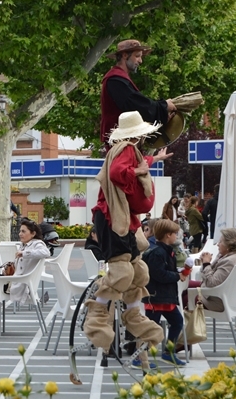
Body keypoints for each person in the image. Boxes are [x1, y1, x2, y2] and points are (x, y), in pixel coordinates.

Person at [84, 111, 171, 366]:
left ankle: (134, 316)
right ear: (139, 134)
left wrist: (152, 160)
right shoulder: (125, 148)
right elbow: (117, 173)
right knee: (122, 273)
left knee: (139, 273)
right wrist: (141, 168)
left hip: (123, 219)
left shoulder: (129, 149)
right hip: (112, 218)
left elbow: (136, 164)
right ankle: (98, 316)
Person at [99, 39, 176, 144]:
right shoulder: (115, 80)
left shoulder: (120, 79)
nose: (140, 61)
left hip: (126, 140)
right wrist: (163, 106)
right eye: (137, 56)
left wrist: (161, 111)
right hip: (120, 142)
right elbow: (137, 106)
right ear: (125, 55)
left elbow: (138, 106)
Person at [142, 219, 187, 366]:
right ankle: (140, 356)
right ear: (168, 235)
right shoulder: (157, 252)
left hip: (164, 297)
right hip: (155, 297)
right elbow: (159, 274)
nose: (177, 236)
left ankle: (169, 351)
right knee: (151, 328)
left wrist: (178, 272)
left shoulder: (165, 251)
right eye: (175, 233)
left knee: (177, 321)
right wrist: (177, 275)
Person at [184, 228, 236, 312]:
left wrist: (206, 263)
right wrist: (205, 263)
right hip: (225, 295)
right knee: (184, 284)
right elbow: (207, 278)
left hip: (217, 301)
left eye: (221, 242)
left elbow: (211, 282)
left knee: (181, 295)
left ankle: (176, 322)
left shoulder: (229, 261)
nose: (218, 244)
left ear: (229, 245)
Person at [9, 219, 50, 304]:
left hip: (22, 283)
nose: (20, 234)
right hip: (18, 280)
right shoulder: (23, 244)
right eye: (20, 231)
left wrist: (24, 253)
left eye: (23, 231)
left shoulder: (37, 244)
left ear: (33, 234)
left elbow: (46, 252)